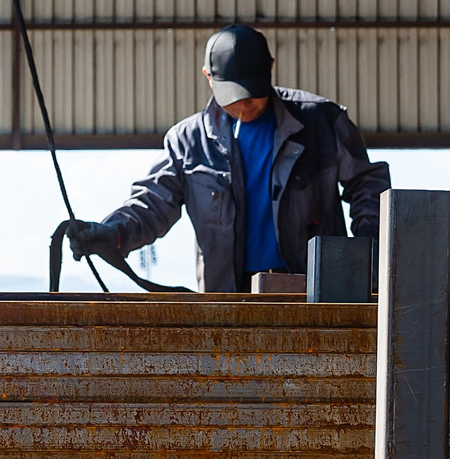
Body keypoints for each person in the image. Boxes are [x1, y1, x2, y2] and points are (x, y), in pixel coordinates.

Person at [67, 23, 389, 292]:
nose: (245, 107)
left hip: (315, 297)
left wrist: (365, 253)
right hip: (229, 306)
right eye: (234, 99)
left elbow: (368, 184)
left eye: (253, 96)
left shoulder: (322, 123)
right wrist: (114, 233)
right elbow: (152, 204)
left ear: (270, 69)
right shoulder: (188, 143)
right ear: (208, 77)